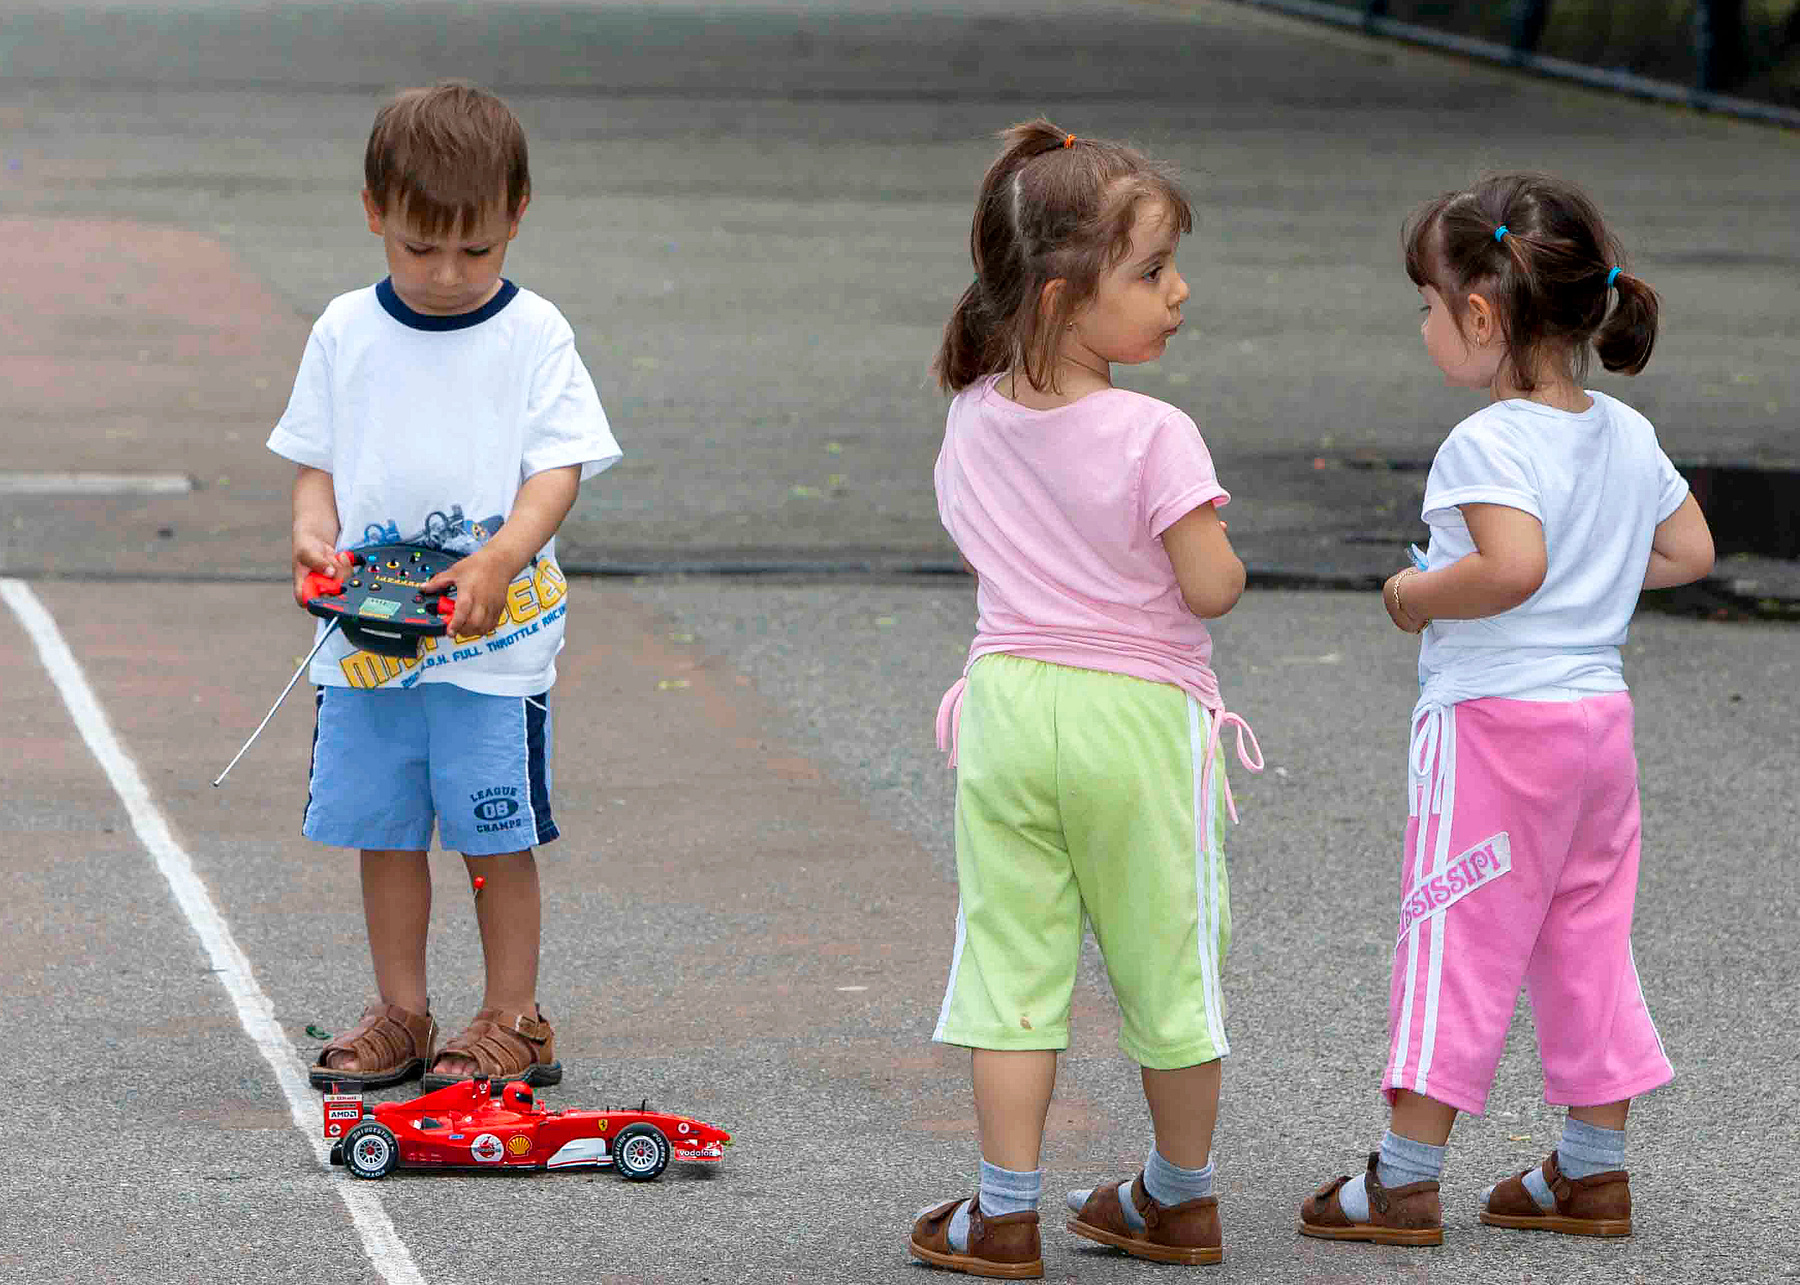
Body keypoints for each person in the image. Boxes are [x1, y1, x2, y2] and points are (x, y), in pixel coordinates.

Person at [1298, 173, 1714, 1246]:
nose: (1424, 325)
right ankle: (1591, 1169)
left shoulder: (1485, 443)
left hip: (1494, 726)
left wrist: (1414, 594)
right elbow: (1690, 550)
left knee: (1457, 933)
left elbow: (1512, 566)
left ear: (1481, 317)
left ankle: (1404, 1176)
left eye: (1429, 306)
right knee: (1589, 936)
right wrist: (1598, 573)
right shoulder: (1626, 431)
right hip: (1597, 729)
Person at [907, 120, 1262, 1279]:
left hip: (1008, 708)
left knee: (1009, 965)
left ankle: (1003, 1209)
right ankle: (1179, 1197)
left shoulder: (972, 414)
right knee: (1169, 965)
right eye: (1152, 272)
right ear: (1063, 299)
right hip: (1137, 721)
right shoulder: (1156, 433)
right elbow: (1210, 587)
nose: (1178, 291)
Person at [269, 81, 621, 1094]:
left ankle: (515, 1016)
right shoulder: (345, 329)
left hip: (492, 649)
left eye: (477, 248)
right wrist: (309, 528)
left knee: (491, 833)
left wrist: (501, 558)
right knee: (384, 830)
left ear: (519, 214)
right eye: (419, 247)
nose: (448, 273)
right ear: (373, 210)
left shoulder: (534, 332)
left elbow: (558, 470)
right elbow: (317, 461)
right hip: (368, 642)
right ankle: (404, 1011)